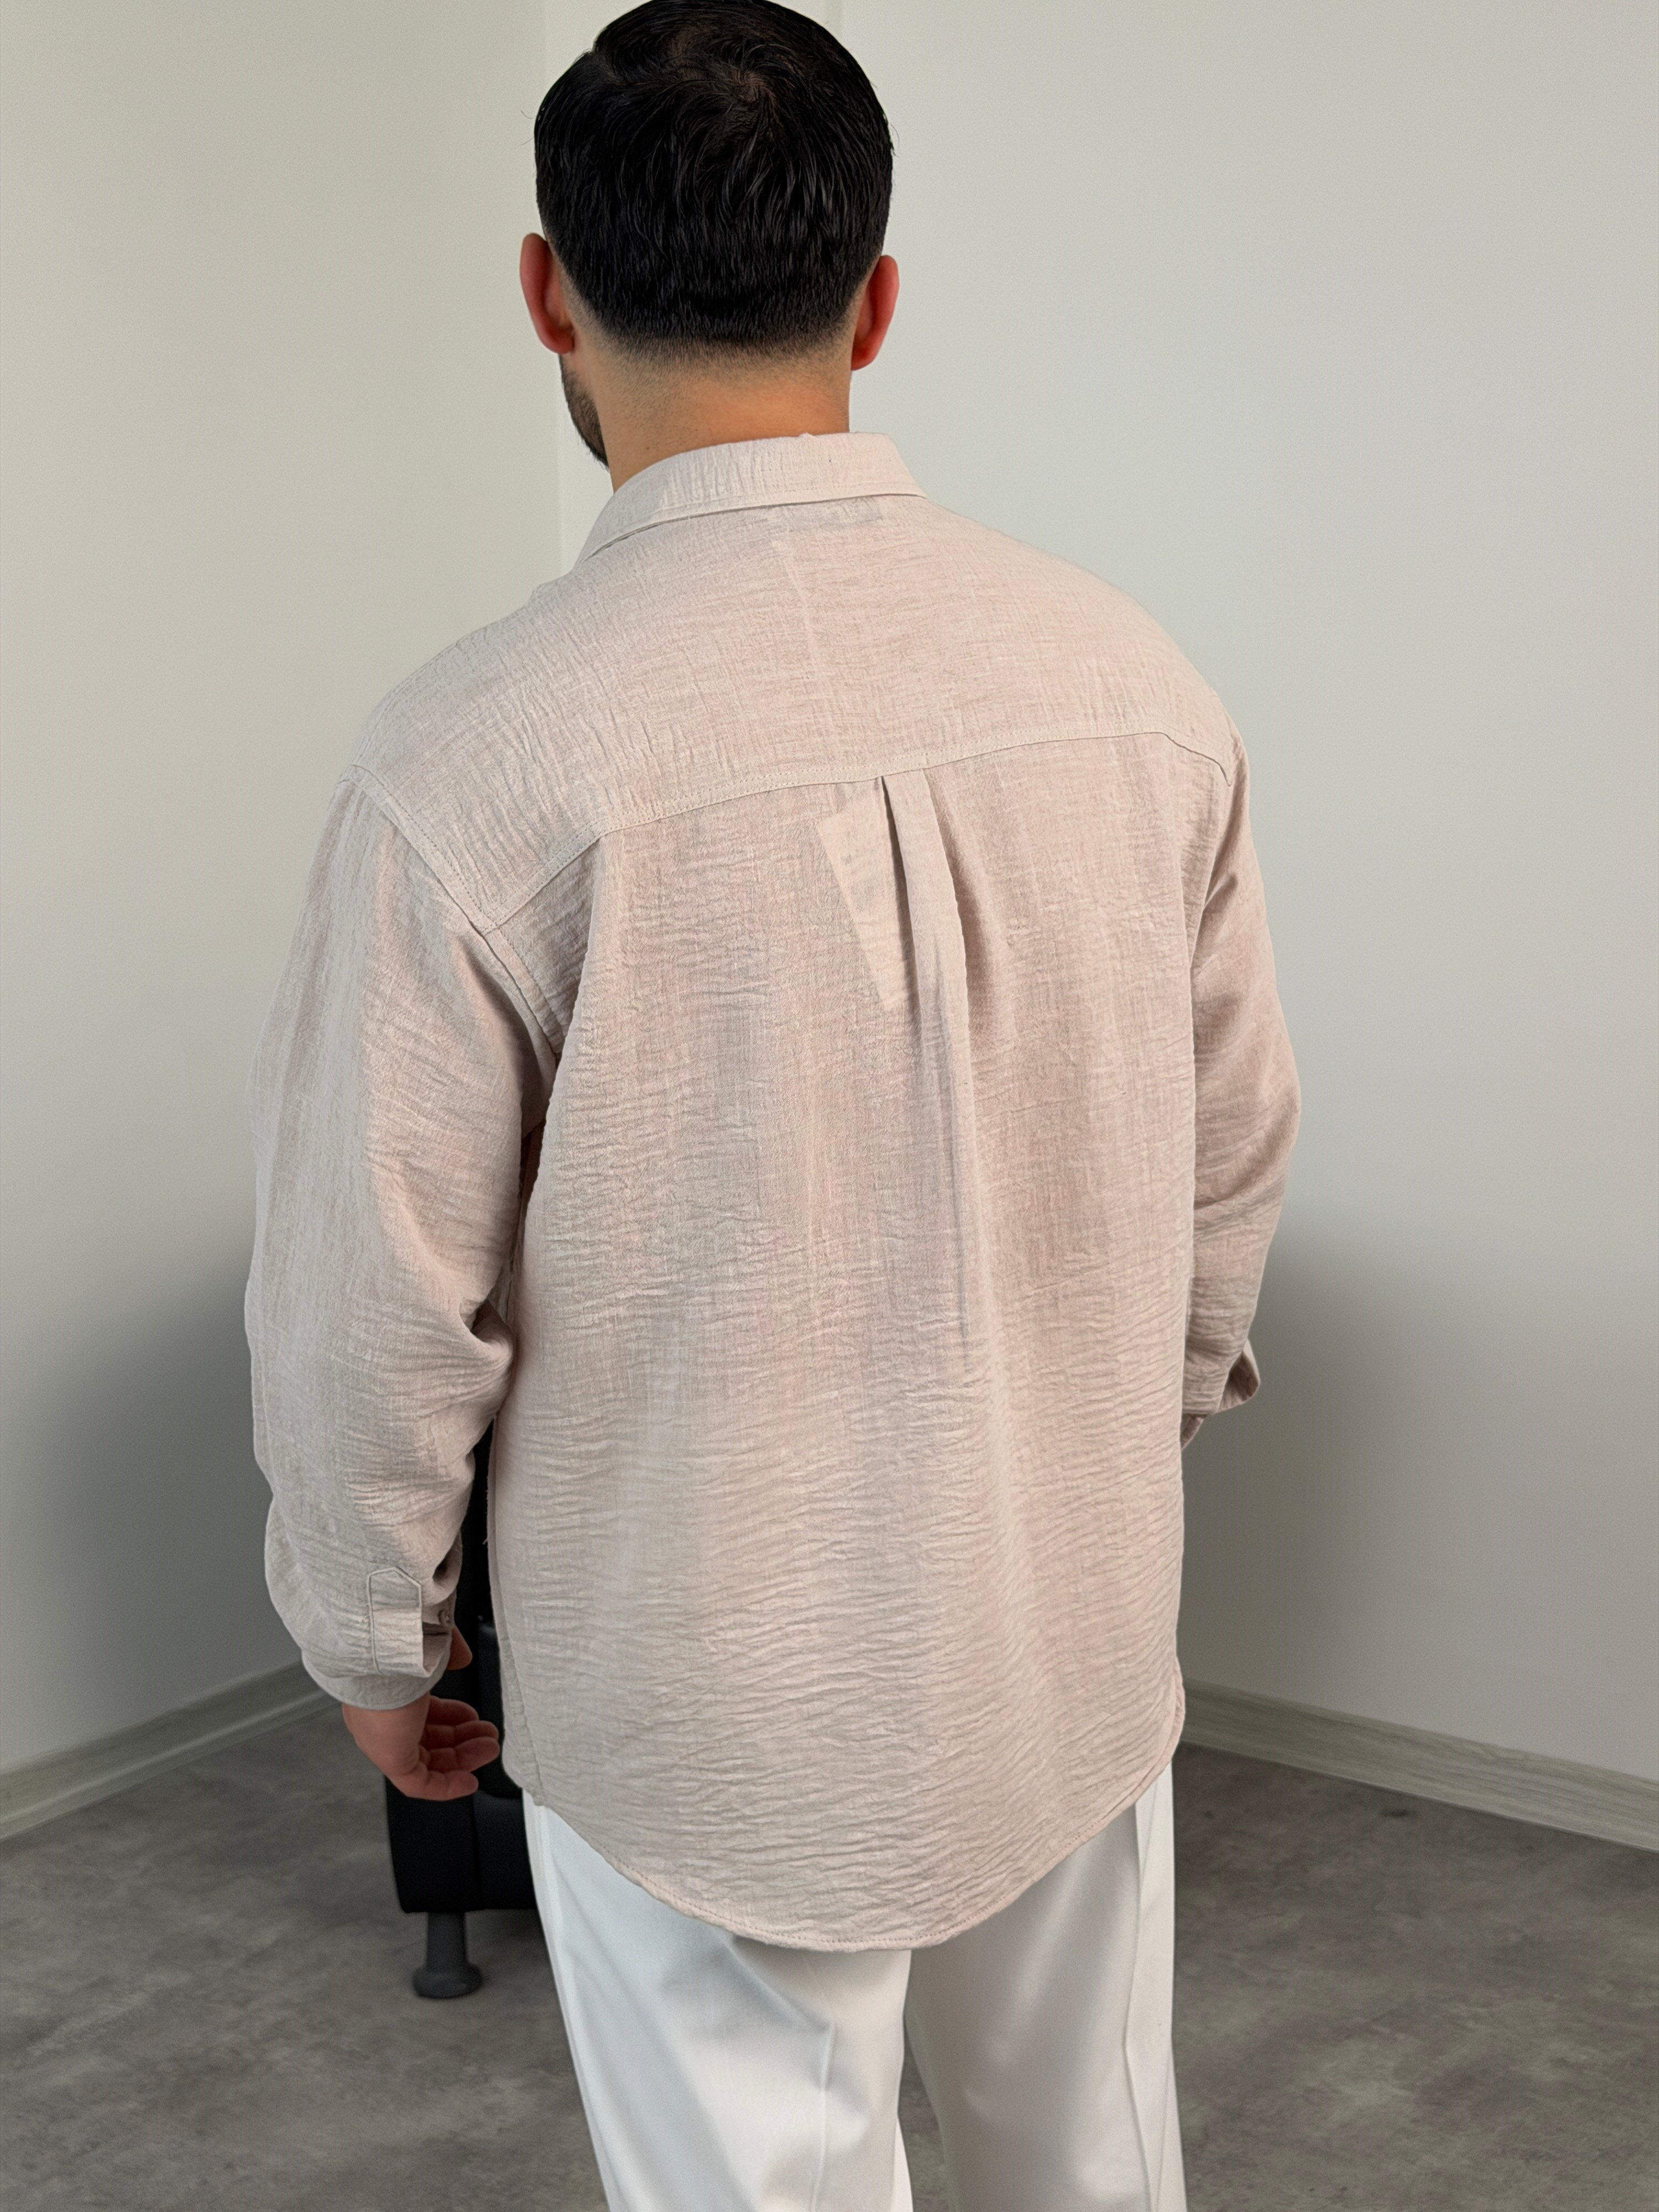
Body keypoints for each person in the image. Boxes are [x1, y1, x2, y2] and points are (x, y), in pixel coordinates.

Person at [242, 3, 1301, 2204]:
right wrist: (1111, 1450)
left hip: (703, 1700)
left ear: (546, 291)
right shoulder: (1131, 678)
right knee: (1088, 2165)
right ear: (876, 300)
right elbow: (1233, 1154)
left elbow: (369, 1307)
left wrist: (374, 1639)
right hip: (1067, 1626)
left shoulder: (473, 757)